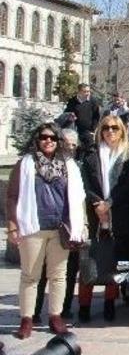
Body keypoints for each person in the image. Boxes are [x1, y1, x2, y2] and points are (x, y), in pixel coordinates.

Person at [7, 123, 86, 339]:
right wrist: (13, 226)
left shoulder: (68, 165)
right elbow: (12, 196)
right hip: (33, 227)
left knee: (58, 276)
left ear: (59, 140)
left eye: (52, 138)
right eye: (43, 137)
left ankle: (55, 316)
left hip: (60, 229)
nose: (48, 141)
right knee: (30, 276)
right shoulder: (25, 164)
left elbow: (78, 198)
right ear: (37, 140)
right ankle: (27, 319)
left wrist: (81, 225)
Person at [78, 115, 129, 323]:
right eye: (106, 128)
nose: (110, 132)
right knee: (90, 260)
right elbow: (84, 181)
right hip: (95, 213)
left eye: (115, 128)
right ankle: (84, 307)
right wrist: (96, 203)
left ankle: (110, 304)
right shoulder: (91, 153)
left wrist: (110, 203)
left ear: (121, 130)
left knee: (113, 262)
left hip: (119, 213)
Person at [64, 83, 101, 150]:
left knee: (89, 149)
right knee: (76, 149)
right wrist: (70, 117)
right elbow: (66, 114)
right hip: (75, 130)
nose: (87, 93)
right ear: (79, 92)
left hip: (88, 131)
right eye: (85, 91)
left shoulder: (93, 101)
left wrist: (93, 130)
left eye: (88, 91)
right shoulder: (72, 101)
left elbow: (96, 116)